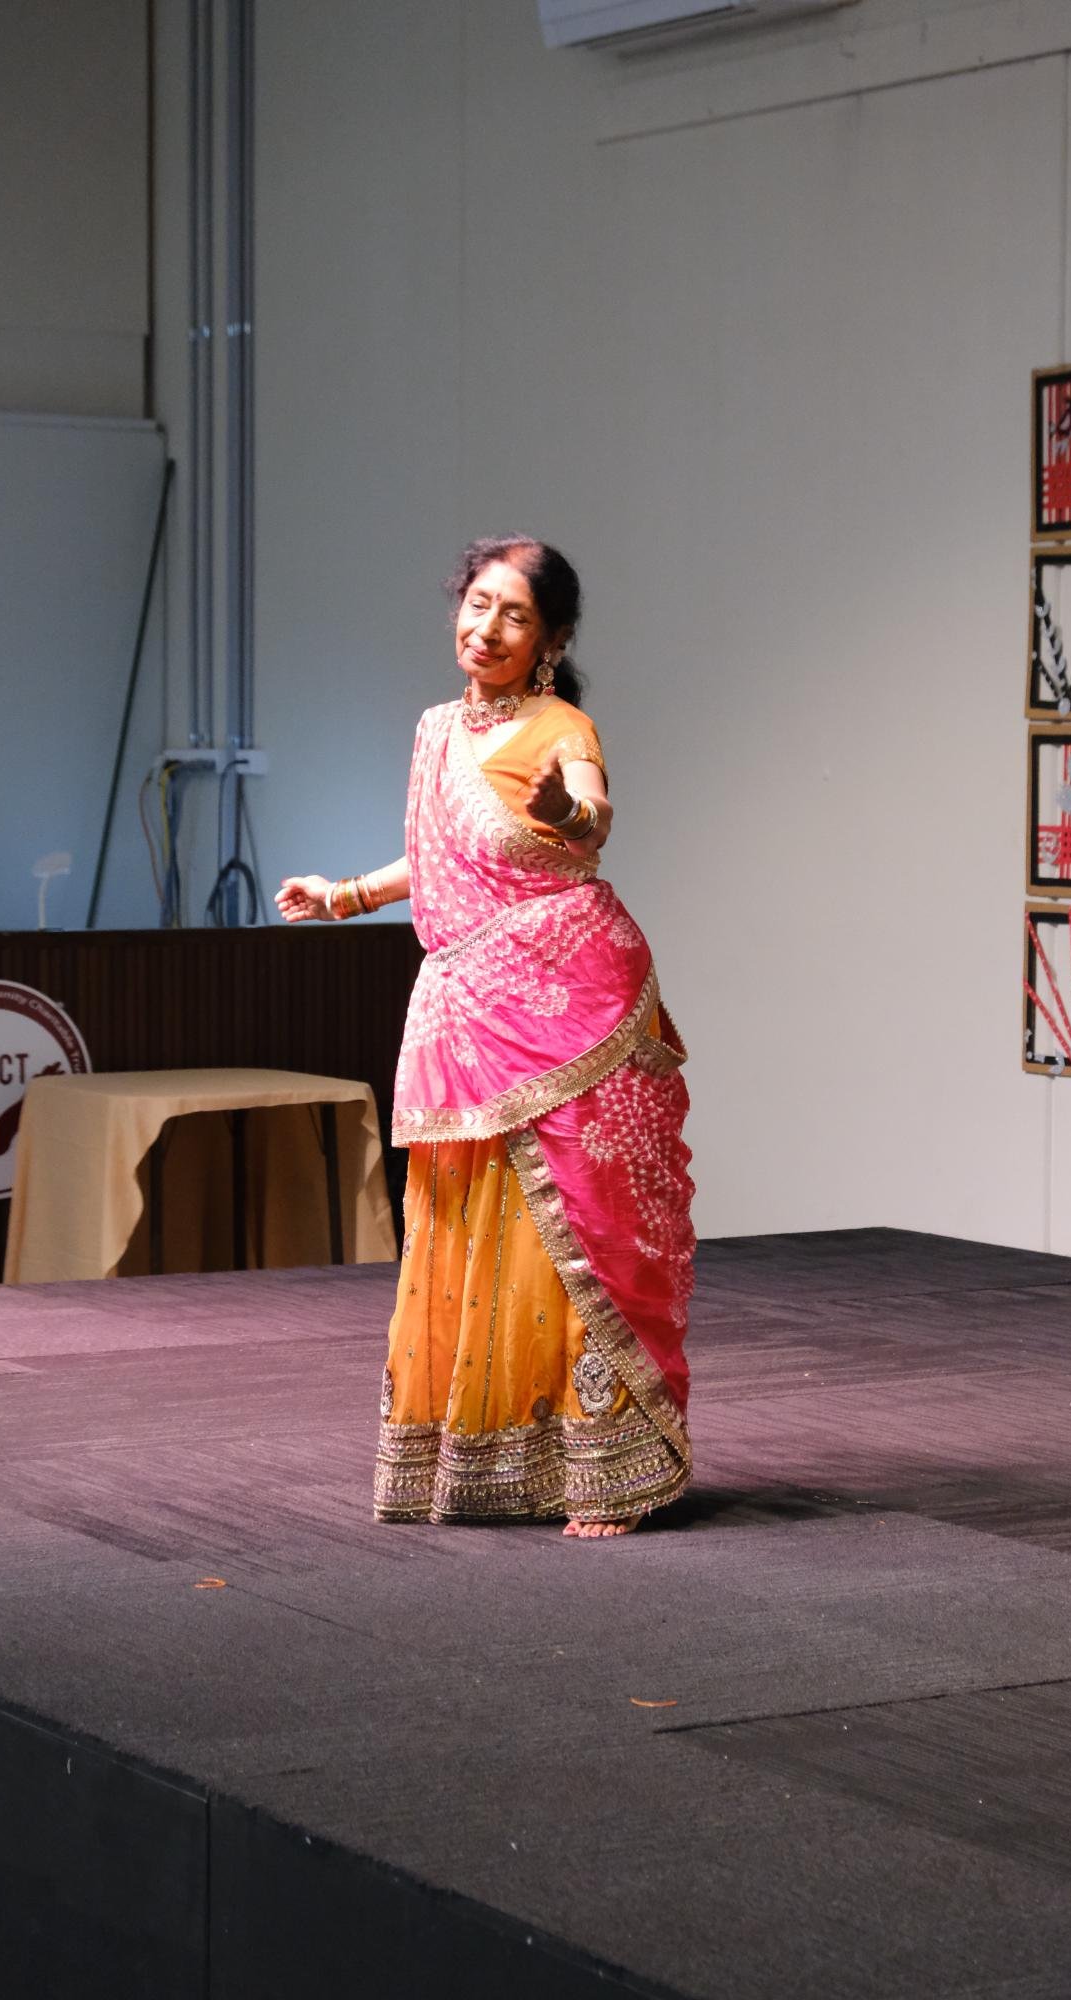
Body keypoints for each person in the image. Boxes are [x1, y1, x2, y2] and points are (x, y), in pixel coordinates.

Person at [277, 538, 693, 1537]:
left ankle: (609, 1471)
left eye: (514, 614)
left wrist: (569, 811)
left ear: (551, 640)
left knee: (582, 1227)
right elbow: (437, 855)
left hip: (572, 1002)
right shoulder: (435, 730)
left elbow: (590, 818)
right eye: (477, 604)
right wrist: (342, 895)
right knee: (469, 1221)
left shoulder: (562, 725)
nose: (487, 628)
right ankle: (493, 1460)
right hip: (466, 1005)